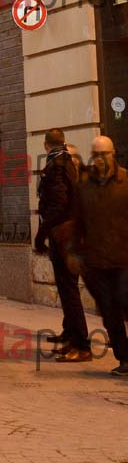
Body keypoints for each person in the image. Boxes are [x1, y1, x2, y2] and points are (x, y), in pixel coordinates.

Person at [68, 135, 128, 377]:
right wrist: (73, 251)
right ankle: (125, 359)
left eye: (104, 154)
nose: (100, 159)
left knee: (126, 301)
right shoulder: (84, 186)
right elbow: (77, 223)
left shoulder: (126, 182)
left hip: (125, 259)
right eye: (96, 155)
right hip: (97, 261)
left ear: (113, 154)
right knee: (110, 312)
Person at [34, 128, 91, 362]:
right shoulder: (68, 163)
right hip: (69, 234)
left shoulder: (57, 166)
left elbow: (58, 204)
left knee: (69, 290)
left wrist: (42, 232)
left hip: (63, 235)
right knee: (68, 289)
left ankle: (82, 345)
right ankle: (71, 339)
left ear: (46, 145)